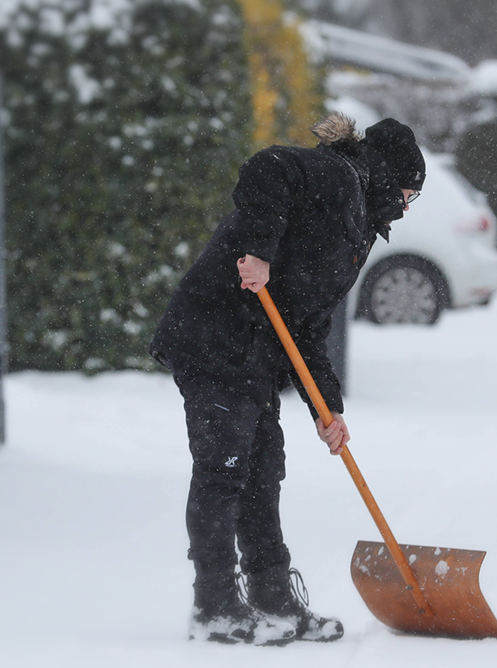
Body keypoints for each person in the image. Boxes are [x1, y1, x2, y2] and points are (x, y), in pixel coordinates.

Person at [149, 112, 425, 645]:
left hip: (253, 350)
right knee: (224, 469)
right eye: (408, 195)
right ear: (389, 176)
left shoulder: (357, 229)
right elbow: (267, 167)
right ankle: (215, 607)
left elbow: (308, 324)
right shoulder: (337, 176)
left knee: (262, 471)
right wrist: (259, 251)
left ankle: (273, 600)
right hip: (213, 334)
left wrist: (328, 407)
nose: (406, 208)